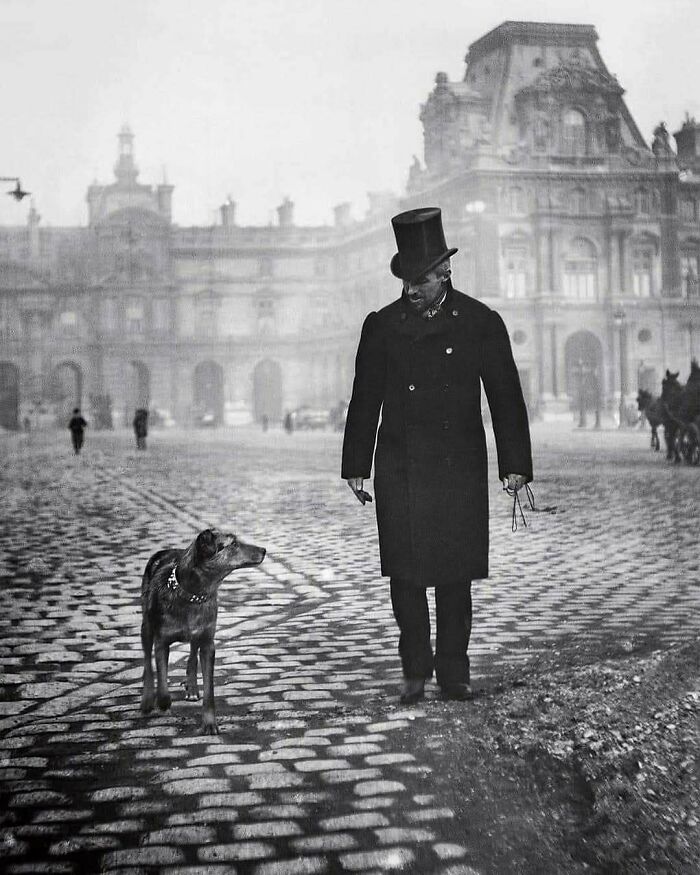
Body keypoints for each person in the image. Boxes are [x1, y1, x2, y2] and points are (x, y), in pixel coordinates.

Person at [342, 207, 532, 704]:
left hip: (458, 464)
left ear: (445, 273)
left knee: (454, 575)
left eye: (420, 280)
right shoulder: (381, 326)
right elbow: (365, 397)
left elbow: (505, 396)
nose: (410, 290)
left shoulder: (480, 322)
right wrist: (356, 466)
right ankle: (413, 669)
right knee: (405, 575)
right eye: (405, 280)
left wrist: (515, 463)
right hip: (400, 466)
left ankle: (453, 672)